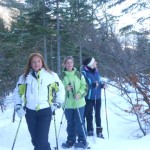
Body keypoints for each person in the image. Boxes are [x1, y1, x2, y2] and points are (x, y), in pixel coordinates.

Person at [13, 52, 65, 150]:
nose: (36, 64)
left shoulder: (51, 75)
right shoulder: (25, 77)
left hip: (45, 111)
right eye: (34, 62)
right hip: (30, 112)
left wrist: (58, 103)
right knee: (35, 140)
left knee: (42, 140)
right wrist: (18, 105)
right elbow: (17, 92)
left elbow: (61, 89)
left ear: (42, 62)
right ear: (30, 64)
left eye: (38, 61)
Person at [61, 56, 88, 148]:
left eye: (71, 62)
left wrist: (79, 94)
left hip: (79, 103)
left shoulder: (79, 74)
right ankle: (71, 140)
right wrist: (65, 89)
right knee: (70, 123)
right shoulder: (61, 76)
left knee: (79, 121)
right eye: (67, 63)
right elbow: (57, 90)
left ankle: (82, 140)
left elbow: (84, 86)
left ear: (73, 64)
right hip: (67, 104)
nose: (69, 64)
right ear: (64, 64)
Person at [81, 57, 105, 138]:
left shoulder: (96, 71)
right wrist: (92, 85)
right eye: (94, 61)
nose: (96, 62)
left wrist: (102, 85)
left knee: (98, 114)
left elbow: (99, 81)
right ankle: (89, 130)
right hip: (88, 97)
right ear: (90, 64)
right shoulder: (84, 73)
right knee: (88, 114)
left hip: (97, 96)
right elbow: (83, 85)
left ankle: (99, 132)